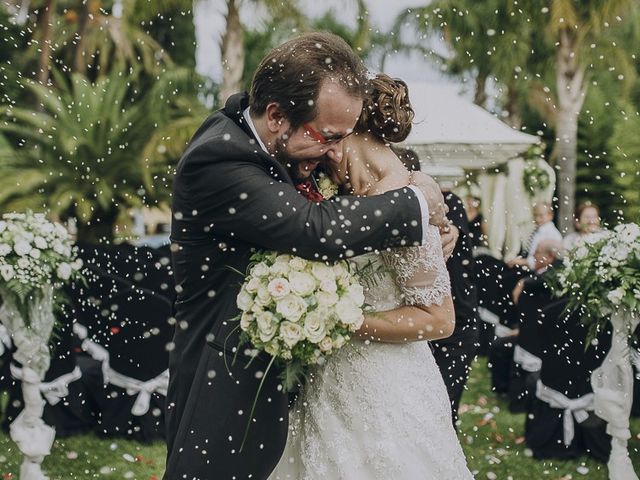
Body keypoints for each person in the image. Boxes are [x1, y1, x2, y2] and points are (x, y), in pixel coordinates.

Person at [164, 33, 457, 480]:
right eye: (328, 136)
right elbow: (312, 229)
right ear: (277, 115)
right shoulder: (220, 159)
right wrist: (418, 202)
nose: (333, 152)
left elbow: (376, 176)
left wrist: (426, 223)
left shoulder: (297, 149)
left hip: (329, 389)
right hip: (223, 385)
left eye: (343, 137)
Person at [271, 75, 472, 479]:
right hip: (327, 385)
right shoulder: (340, 195)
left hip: (388, 390)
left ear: (352, 133)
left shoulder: (407, 203)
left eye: (331, 141)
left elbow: (438, 319)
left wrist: (344, 320)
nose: (323, 155)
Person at [432, 189, 479, 427]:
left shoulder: (447, 201)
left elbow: (453, 229)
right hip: (421, 327)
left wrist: (451, 231)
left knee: (444, 409)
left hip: (458, 327)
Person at [507, 202, 562, 270]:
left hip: (538, 272)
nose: (537, 219)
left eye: (541, 216)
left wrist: (521, 262)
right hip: (527, 267)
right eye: (535, 215)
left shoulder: (553, 235)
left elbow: (544, 261)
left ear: (550, 215)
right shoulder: (537, 231)